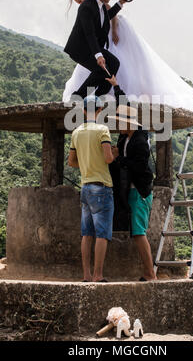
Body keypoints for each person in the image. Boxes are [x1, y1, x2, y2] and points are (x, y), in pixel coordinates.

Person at [62, 0, 193, 127]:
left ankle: (94, 96)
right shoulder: (88, 7)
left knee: (111, 67)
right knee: (104, 68)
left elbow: (110, 14)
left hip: (101, 42)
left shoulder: (97, 3)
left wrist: (115, 28)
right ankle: (89, 96)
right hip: (91, 47)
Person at [107, 76, 157, 281]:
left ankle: (150, 273)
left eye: (120, 122)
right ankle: (149, 272)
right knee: (136, 232)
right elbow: (125, 105)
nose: (117, 125)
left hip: (140, 191)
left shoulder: (139, 141)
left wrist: (118, 159)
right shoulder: (126, 136)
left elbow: (138, 165)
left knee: (138, 232)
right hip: (130, 190)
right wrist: (116, 87)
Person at [68, 95, 118, 282]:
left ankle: (86, 275)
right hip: (102, 186)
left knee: (86, 233)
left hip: (85, 186)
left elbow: (71, 162)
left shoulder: (76, 132)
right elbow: (107, 159)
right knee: (102, 233)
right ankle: (98, 275)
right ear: (99, 110)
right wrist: (113, 153)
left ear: (83, 110)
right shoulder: (102, 130)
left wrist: (87, 161)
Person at [63, 0, 128, 99]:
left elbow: (106, 17)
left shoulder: (100, 4)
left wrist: (120, 3)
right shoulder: (86, 7)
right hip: (79, 48)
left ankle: (98, 97)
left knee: (114, 63)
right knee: (101, 70)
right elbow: (90, 33)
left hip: (90, 46)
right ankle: (77, 97)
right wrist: (99, 55)